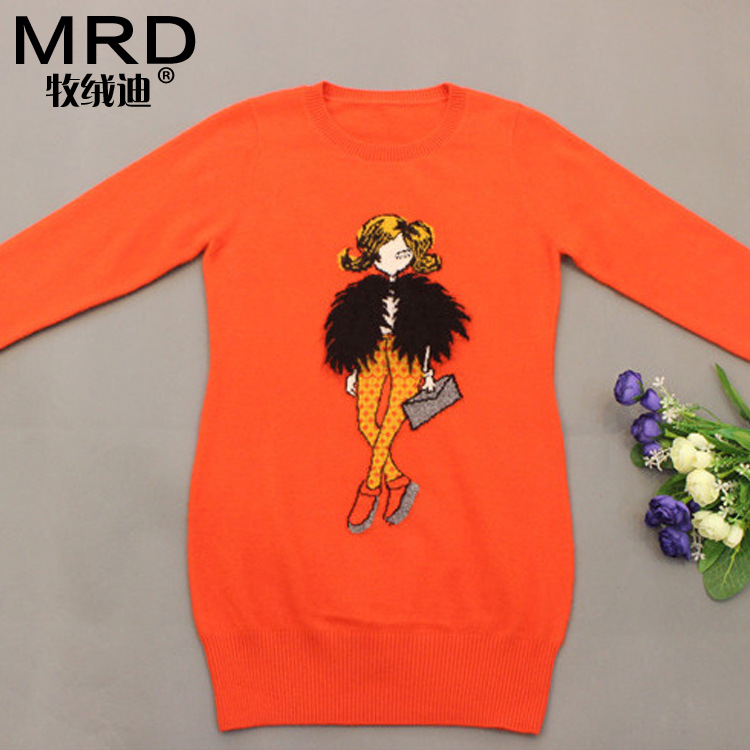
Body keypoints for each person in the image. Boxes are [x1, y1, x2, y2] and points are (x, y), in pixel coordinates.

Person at [324, 213, 470, 533]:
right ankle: (397, 480)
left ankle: (370, 487)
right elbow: (353, 333)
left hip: (408, 355)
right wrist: (353, 370)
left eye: (404, 251)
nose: (398, 255)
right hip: (372, 353)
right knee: (365, 420)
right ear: (373, 253)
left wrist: (427, 372)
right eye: (390, 249)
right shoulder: (361, 295)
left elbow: (431, 335)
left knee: (392, 419)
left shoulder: (424, 295)